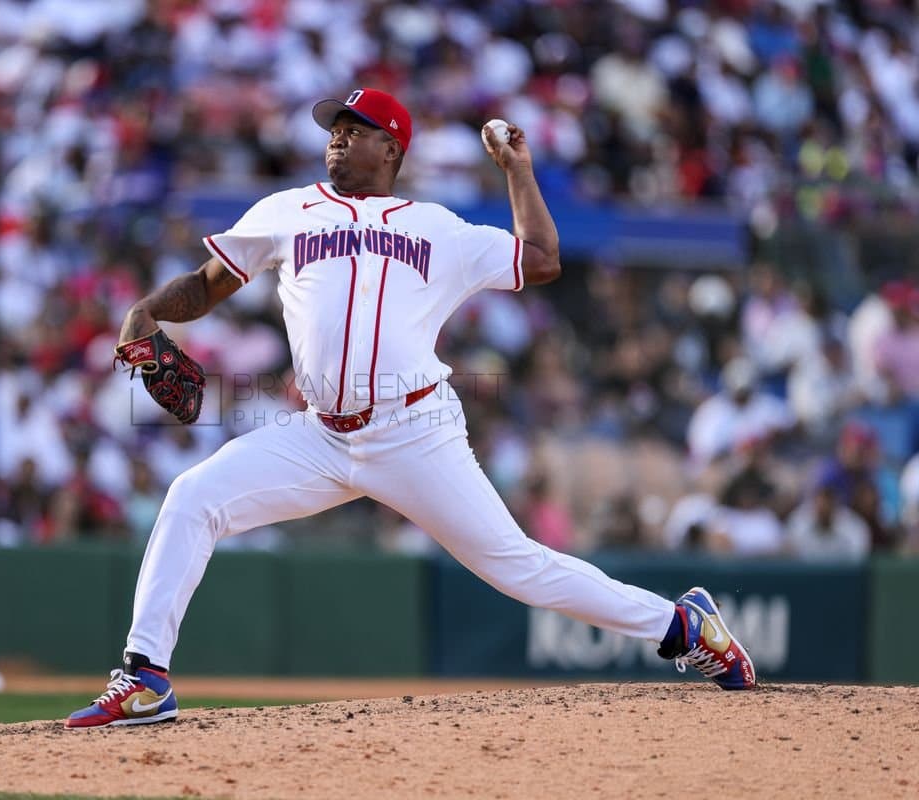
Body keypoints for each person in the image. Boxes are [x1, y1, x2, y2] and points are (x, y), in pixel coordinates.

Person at [65, 89, 756, 728]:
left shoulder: (438, 228)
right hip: (319, 437)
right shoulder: (287, 209)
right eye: (333, 130)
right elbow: (208, 285)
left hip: (414, 430)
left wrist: (517, 169)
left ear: (391, 149)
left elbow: (542, 258)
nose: (335, 140)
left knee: (517, 566)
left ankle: (683, 628)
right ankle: (145, 675)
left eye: (353, 130)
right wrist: (147, 312)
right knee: (192, 496)